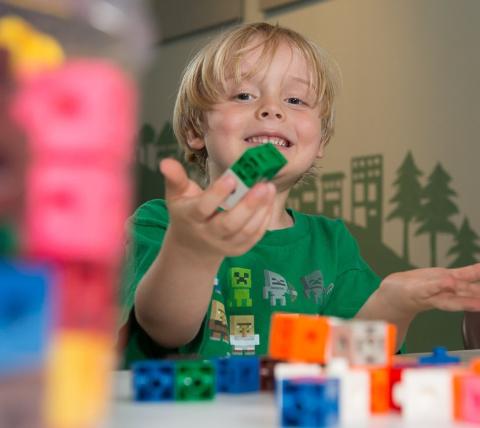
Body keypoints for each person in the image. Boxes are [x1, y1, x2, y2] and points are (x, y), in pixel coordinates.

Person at [119, 22, 480, 366]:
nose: (272, 109)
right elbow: (165, 327)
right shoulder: (162, 223)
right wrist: (192, 250)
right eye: (244, 94)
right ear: (196, 128)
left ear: (320, 140)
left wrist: (396, 302)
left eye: (295, 100)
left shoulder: (332, 244)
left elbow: (352, 352)